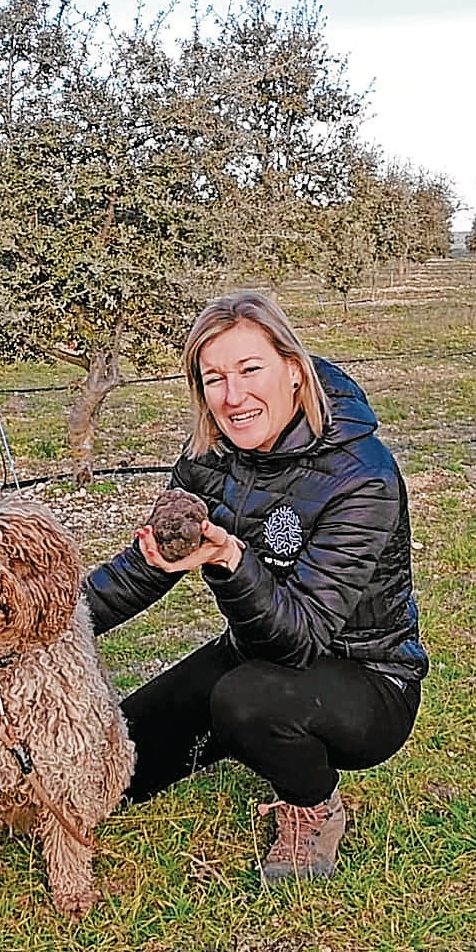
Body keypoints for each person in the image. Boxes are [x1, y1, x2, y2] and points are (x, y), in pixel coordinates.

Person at [83, 289, 428, 881]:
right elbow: (149, 563)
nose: (233, 397)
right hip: (254, 649)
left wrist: (231, 559)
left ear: (293, 370)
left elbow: (301, 640)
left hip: (365, 677)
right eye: (213, 377)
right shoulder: (209, 455)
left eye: (249, 370)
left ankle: (312, 803)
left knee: (245, 701)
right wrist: (45, 615)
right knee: (112, 767)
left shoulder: (363, 476)